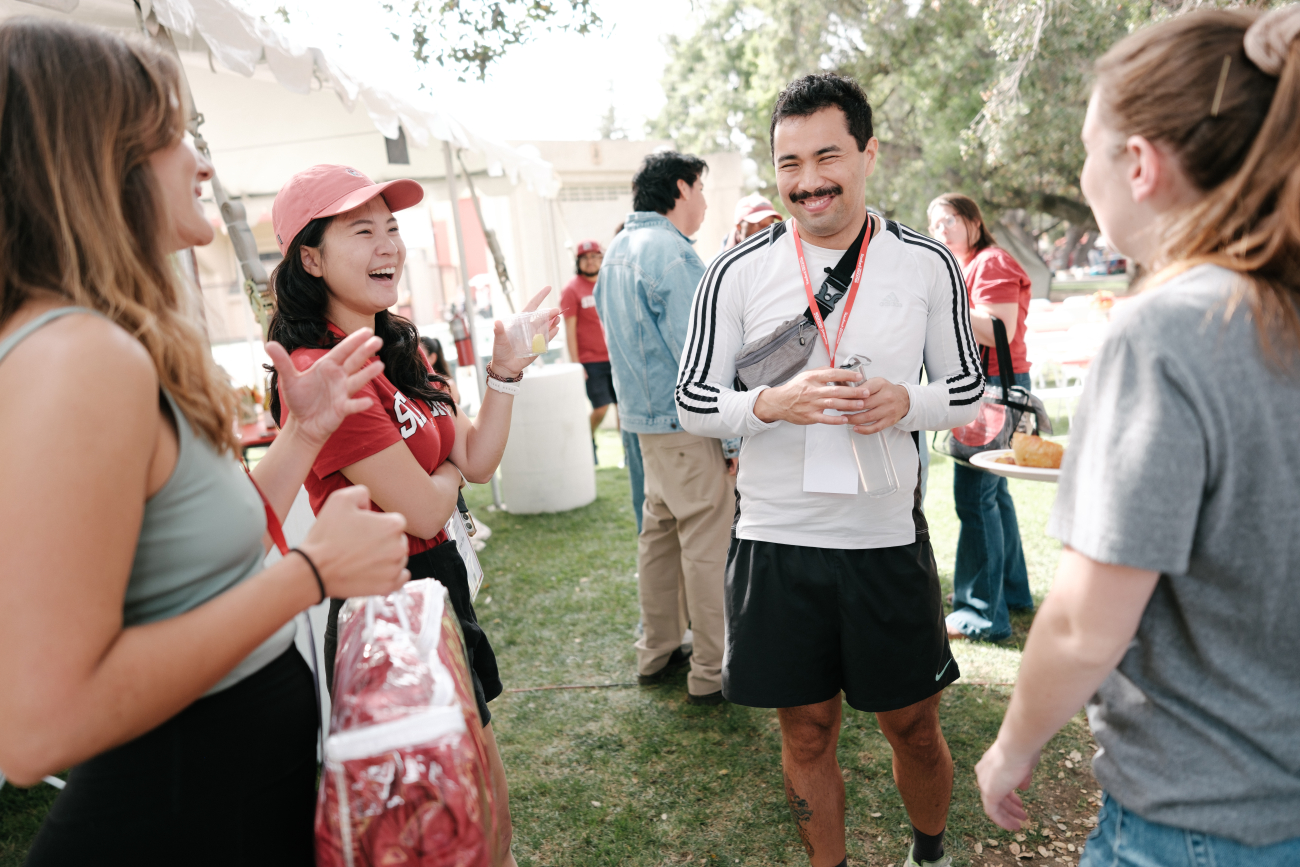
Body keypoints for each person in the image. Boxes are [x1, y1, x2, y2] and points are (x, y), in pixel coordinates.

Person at [0, 21, 411, 865]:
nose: (202, 161)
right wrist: (311, 574)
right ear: (96, 160)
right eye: (171, 134)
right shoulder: (77, 357)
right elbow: (38, 725)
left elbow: (184, 566)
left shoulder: (96, 341)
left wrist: (304, 433)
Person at [976, 7, 1300, 866]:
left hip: (1199, 823)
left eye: (1089, 150)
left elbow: (1086, 622)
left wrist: (1011, 746)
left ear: (1141, 164)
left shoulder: (1166, 332)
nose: (1084, 175)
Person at [676, 73, 984, 867]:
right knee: (806, 727)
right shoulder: (736, 271)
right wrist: (770, 405)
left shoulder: (925, 263)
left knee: (913, 725)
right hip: (777, 540)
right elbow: (692, 399)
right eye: (788, 163)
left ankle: (930, 852)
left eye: (826, 156)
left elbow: (968, 389)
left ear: (868, 154)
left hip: (883, 539)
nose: (807, 181)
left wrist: (902, 400)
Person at [267, 164, 557, 867]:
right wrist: (449, 475)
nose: (387, 244)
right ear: (310, 257)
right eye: (361, 230)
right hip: (385, 611)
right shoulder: (322, 371)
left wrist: (505, 371)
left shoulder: (400, 347)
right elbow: (429, 500)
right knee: (448, 821)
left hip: (440, 587)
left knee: (484, 792)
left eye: (392, 227)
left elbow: (478, 457)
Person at [595, 150, 738, 706]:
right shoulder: (674, 256)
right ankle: (712, 672)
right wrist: (730, 437)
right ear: (681, 188)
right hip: (685, 424)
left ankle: (656, 650)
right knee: (706, 540)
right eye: (701, 189)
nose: (704, 202)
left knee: (658, 535)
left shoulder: (617, 252)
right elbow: (698, 358)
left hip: (644, 425)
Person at [927, 193, 1035, 642]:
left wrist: (943, 303)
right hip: (989, 389)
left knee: (975, 498)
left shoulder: (990, 262)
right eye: (934, 225)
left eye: (949, 220)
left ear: (973, 221)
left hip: (993, 392)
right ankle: (1009, 593)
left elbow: (1000, 327)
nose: (941, 231)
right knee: (994, 495)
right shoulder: (972, 263)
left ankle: (981, 614)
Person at [560, 239, 617, 459]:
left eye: (595, 257)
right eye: (585, 258)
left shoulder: (608, 283)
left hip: (614, 356)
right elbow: (570, 329)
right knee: (601, 408)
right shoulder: (571, 290)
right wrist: (577, 364)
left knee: (623, 409)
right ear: (578, 262)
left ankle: (629, 454)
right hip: (590, 361)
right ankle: (587, 439)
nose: (591, 262)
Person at [419, 334, 463, 405]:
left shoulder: (447, 385)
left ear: (432, 358)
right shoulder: (415, 386)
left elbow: (454, 414)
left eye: (419, 356)